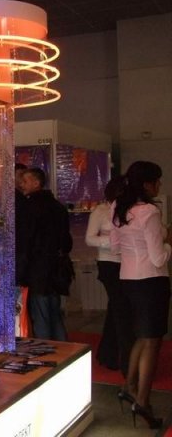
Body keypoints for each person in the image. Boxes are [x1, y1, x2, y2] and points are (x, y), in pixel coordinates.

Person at [110, 161, 170, 429]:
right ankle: (142, 401)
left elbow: (114, 247)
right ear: (147, 184)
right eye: (157, 181)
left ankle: (128, 387)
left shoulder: (119, 207)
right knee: (152, 341)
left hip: (128, 279)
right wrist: (169, 243)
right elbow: (158, 258)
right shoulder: (149, 212)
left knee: (141, 338)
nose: (159, 185)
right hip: (151, 281)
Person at [17, 167, 72, 341]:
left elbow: (26, 242)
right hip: (55, 269)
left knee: (40, 315)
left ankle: (46, 351)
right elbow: (66, 241)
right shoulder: (58, 207)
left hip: (37, 271)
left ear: (36, 183)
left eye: (25, 181)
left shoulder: (29, 208)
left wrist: (20, 272)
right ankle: (63, 350)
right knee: (54, 313)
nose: (21, 184)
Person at [85, 176, 133, 375]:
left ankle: (109, 354)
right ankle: (118, 357)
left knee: (117, 309)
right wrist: (112, 242)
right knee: (120, 308)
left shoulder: (130, 209)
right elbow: (89, 239)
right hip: (108, 264)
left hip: (128, 263)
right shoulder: (100, 211)